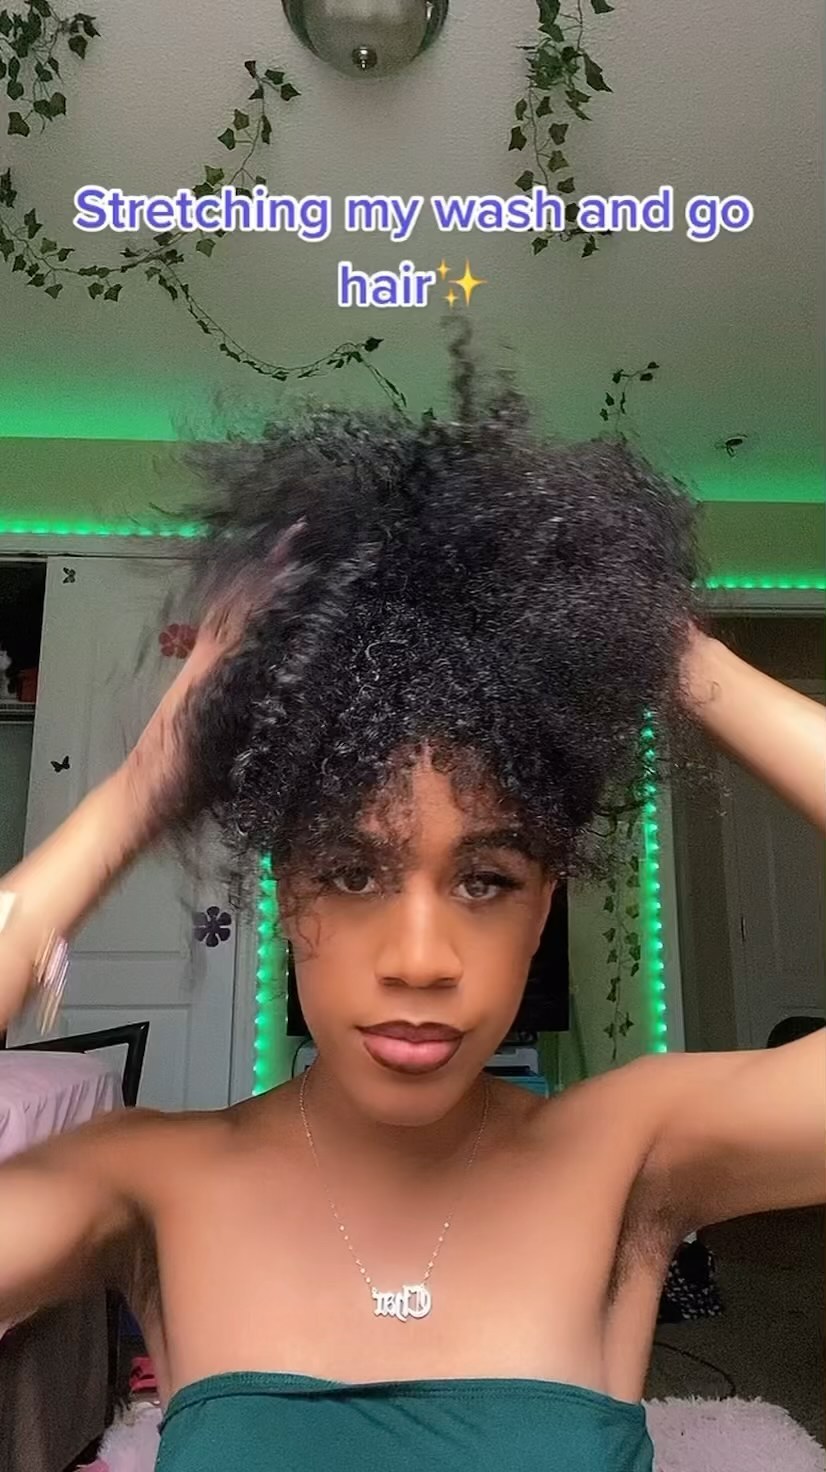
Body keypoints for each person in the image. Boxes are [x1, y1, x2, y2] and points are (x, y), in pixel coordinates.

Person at [0, 335, 824, 1472]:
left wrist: (669, 652)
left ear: (544, 905)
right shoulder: (146, 1182)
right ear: (286, 892)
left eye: (485, 880)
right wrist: (145, 785)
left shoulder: (630, 1156)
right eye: (352, 871)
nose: (421, 958)